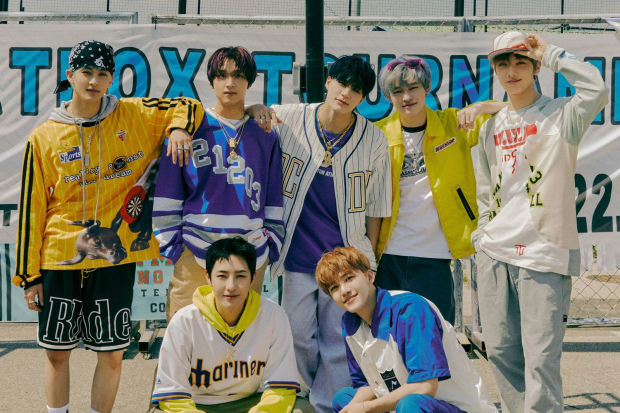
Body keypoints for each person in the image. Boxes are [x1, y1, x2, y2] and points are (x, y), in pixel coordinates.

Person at [14, 40, 204, 413]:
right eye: (87, 72)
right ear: (70, 75)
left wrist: (179, 129)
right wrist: (29, 276)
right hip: (60, 256)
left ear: (111, 79)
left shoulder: (133, 114)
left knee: (114, 354)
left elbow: (189, 104)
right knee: (57, 353)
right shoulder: (44, 137)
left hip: (114, 256)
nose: (94, 81)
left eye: (103, 74)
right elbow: (31, 211)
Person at [471, 32, 609, 412]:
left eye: (521, 62)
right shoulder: (490, 126)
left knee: (541, 359)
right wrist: (482, 235)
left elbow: (596, 89)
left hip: (544, 255)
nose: (511, 71)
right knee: (500, 352)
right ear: (495, 70)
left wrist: (550, 53)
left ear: (535, 68)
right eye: (503, 64)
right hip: (495, 252)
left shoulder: (563, 114)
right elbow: (485, 187)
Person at [249, 55, 391, 413]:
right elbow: (250, 116)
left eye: (356, 89)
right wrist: (254, 108)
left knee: (337, 337)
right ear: (328, 81)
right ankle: (301, 396)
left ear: (363, 98)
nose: (346, 92)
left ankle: (329, 403)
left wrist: (368, 258)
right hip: (299, 251)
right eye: (341, 82)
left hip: (344, 258)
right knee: (297, 333)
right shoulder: (289, 117)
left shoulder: (373, 139)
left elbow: (377, 206)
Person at [153, 46, 284, 322]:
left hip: (250, 252)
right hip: (195, 250)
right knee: (184, 338)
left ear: (249, 82)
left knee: (243, 340)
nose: (230, 83)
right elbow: (168, 191)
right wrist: (175, 247)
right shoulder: (187, 127)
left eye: (238, 76)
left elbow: (273, 197)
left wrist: (271, 243)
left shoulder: (266, 134)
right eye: (222, 76)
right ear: (211, 81)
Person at [374, 56, 506, 324]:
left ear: (427, 88)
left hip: (435, 254)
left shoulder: (453, 124)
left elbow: (511, 109)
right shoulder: (378, 134)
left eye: (413, 88)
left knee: (437, 333)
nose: (406, 97)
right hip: (388, 253)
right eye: (397, 91)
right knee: (387, 335)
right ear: (388, 97)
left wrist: (480, 106)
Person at [315, 246, 497, 413]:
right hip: (405, 403)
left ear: (369, 277)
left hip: (452, 407)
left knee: (411, 404)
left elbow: (425, 386)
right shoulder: (350, 323)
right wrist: (351, 409)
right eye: (334, 287)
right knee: (344, 399)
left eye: (349, 278)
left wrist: (365, 408)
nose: (344, 290)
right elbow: (368, 384)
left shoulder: (410, 310)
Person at [151, 237, 314, 413]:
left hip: (250, 402)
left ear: (253, 278)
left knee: (302, 410)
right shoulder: (184, 321)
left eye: (240, 276)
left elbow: (280, 388)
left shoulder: (273, 315)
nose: (231, 286)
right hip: (197, 403)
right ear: (208, 277)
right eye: (222, 276)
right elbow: (172, 397)